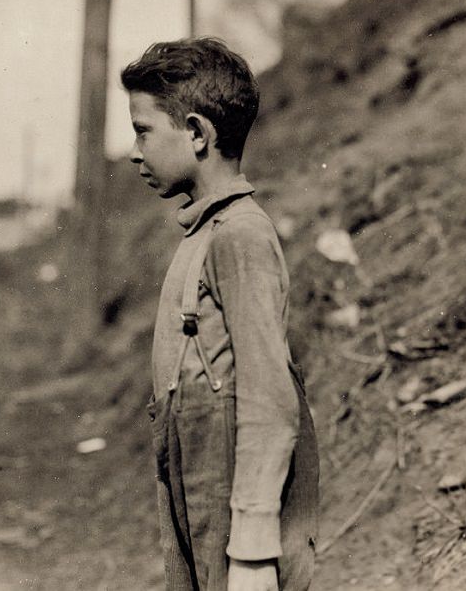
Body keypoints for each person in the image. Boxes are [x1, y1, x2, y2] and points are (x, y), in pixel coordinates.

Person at [122, 38, 319, 591]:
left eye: (143, 131)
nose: (134, 152)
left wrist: (254, 551)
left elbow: (268, 394)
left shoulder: (240, 236)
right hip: (196, 475)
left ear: (197, 133)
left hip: (232, 500)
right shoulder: (205, 230)